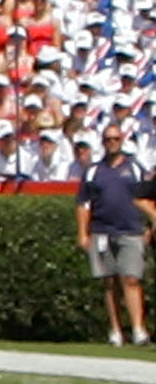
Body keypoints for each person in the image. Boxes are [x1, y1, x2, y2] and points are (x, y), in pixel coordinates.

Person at [74, 123, 151, 345]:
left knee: (132, 279)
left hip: (130, 230)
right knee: (109, 282)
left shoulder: (135, 168)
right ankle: (116, 330)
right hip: (102, 231)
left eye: (116, 139)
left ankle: (138, 329)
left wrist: (148, 225)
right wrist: (83, 233)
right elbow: (83, 204)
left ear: (122, 140)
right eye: (108, 139)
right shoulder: (93, 171)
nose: (112, 143)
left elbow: (148, 198)